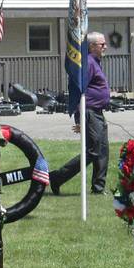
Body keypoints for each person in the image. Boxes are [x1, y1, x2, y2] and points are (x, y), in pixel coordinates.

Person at [49, 31, 111, 195]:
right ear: (91, 46)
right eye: (102, 44)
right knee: (92, 152)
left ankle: (98, 188)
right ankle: (57, 177)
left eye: (105, 44)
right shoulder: (89, 63)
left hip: (97, 112)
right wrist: (80, 118)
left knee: (103, 151)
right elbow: (78, 91)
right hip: (89, 112)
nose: (105, 47)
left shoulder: (96, 62)